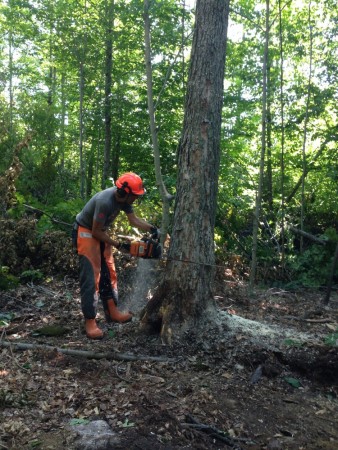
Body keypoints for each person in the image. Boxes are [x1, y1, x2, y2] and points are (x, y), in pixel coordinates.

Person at [73, 172, 159, 339]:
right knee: (92, 275)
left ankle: (112, 311)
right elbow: (95, 231)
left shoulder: (125, 199)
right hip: (86, 231)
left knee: (109, 272)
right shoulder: (105, 201)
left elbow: (133, 220)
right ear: (124, 192)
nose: (135, 199)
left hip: (100, 232)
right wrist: (119, 245)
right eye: (134, 196)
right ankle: (90, 321)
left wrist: (152, 229)